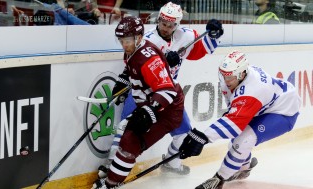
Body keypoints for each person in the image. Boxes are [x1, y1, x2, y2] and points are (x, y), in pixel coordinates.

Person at [100, 1, 223, 177]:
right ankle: (111, 166)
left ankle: (172, 163)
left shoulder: (186, 36)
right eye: (163, 23)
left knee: (183, 134)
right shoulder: (147, 39)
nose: (165, 28)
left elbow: (206, 49)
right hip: (142, 91)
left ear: (177, 24)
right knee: (125, 128)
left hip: (167, 95)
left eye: (171, 25)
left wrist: (214, 33)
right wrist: (124, 80)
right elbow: (132, 65)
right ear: (158, 20)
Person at [178, 50, 301, 189]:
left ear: (242, 74)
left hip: (284, 111)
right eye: (223, 75)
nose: (225, 80)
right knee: (236, 141)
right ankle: (243, 167)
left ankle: (219, 180)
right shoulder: (233, 78)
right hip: (266, 106)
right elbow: (234, 115)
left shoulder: (253, 89)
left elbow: (233, 125)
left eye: (229, 77)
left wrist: (203, 137)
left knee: (244, 141)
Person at [92, 16, 185, 189]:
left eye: (127, 40)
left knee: (130, 141)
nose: (124, 44)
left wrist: (148, 112)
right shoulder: (133, 51)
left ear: (139, 37)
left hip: (167, 110)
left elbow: (167, 90)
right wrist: (123, 82)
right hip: (154, 105)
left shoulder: (148, 59)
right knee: (126, 133)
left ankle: (111, 183)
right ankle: (115, 170)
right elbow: (131, 70)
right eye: (121, 40)